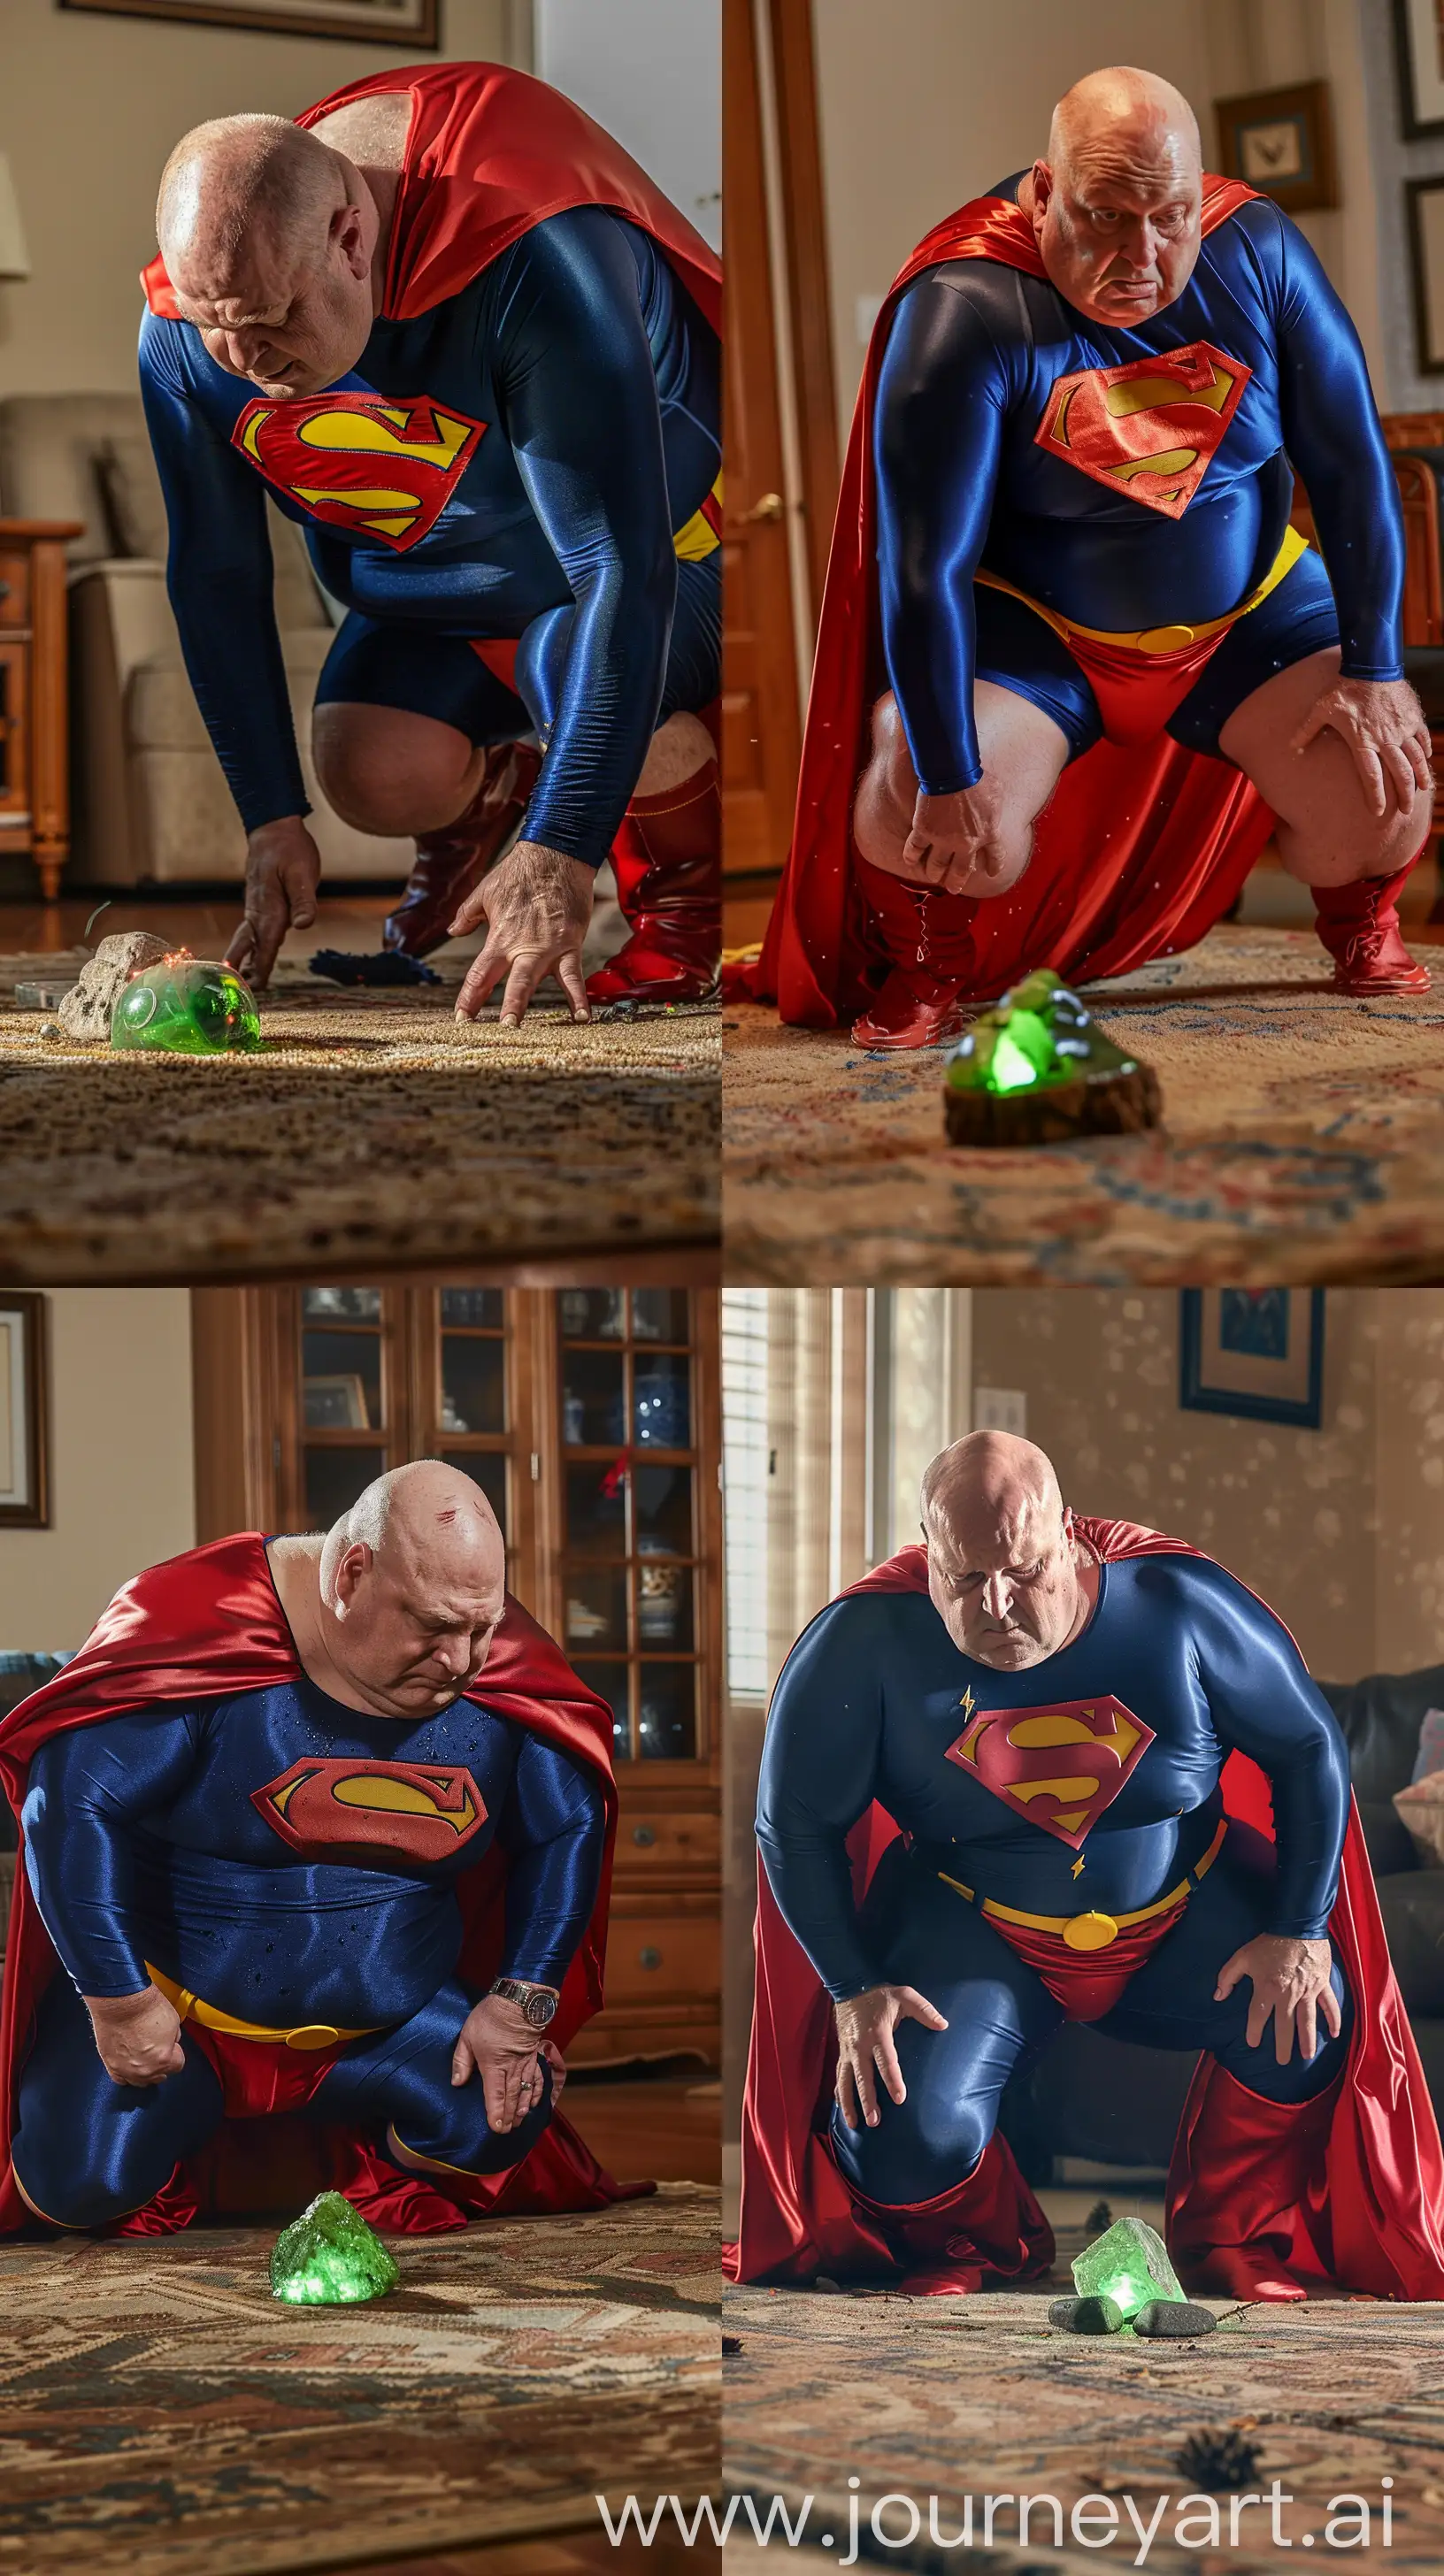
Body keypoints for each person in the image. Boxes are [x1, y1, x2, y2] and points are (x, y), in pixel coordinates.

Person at [739, 67, 1433, 1050]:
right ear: (1040, 194)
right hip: (1044, 631)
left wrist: (1374, 666)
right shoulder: (966, 304)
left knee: (1387, 777)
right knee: (912, 787)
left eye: (1170, 218)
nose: (1142, 258)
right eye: (1106, 218)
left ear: (1199, 198)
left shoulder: (1261, 250)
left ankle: (1360, 918)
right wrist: (945, 772)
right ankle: (927, 962)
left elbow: (1354, 463)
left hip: (1246, 610)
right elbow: (923, 569)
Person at [728, 1431, 1444, 2299]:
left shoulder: (1177, 1604)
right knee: (885, 2107)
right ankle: (984, 2242)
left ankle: (1233, 2240)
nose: (996, 1605)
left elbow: (1306, 1747)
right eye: (963, 1578)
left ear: (1067, 1534)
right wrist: (851, 1984)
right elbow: (794, 1824)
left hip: (1178, 1912)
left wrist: (1297, 1927)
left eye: (1024, 1570)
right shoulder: (861, 1642)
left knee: (1309, 2020)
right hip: (975, 1928)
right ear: (926, 1553)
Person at [141, 62, 722, 1024]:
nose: (248, 364)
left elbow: (617, 565)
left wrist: (565, 844)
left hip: (652, 561)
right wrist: (270, 820)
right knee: (365, 759)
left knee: (571, 654)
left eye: (275, 319)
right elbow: (216, 574)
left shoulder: (533, 246)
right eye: (218, 328)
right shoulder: (181, 322)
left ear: (354, 235)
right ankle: (491, 802)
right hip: (447, 583)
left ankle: (675, 916)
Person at [0, 1462, 628, 2235]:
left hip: (391, 2027)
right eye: (432, 1626)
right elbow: (66, 1808)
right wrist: (120, 2001)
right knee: (79, 2180)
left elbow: (567, 1827)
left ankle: (362, 2181)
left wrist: (519, 2006)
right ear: (351, 1573)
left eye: (481, 1627)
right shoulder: (199, 1628)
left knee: (496, 2122)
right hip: (179, 2023)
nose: (462, 1660)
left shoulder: (504, 1668)